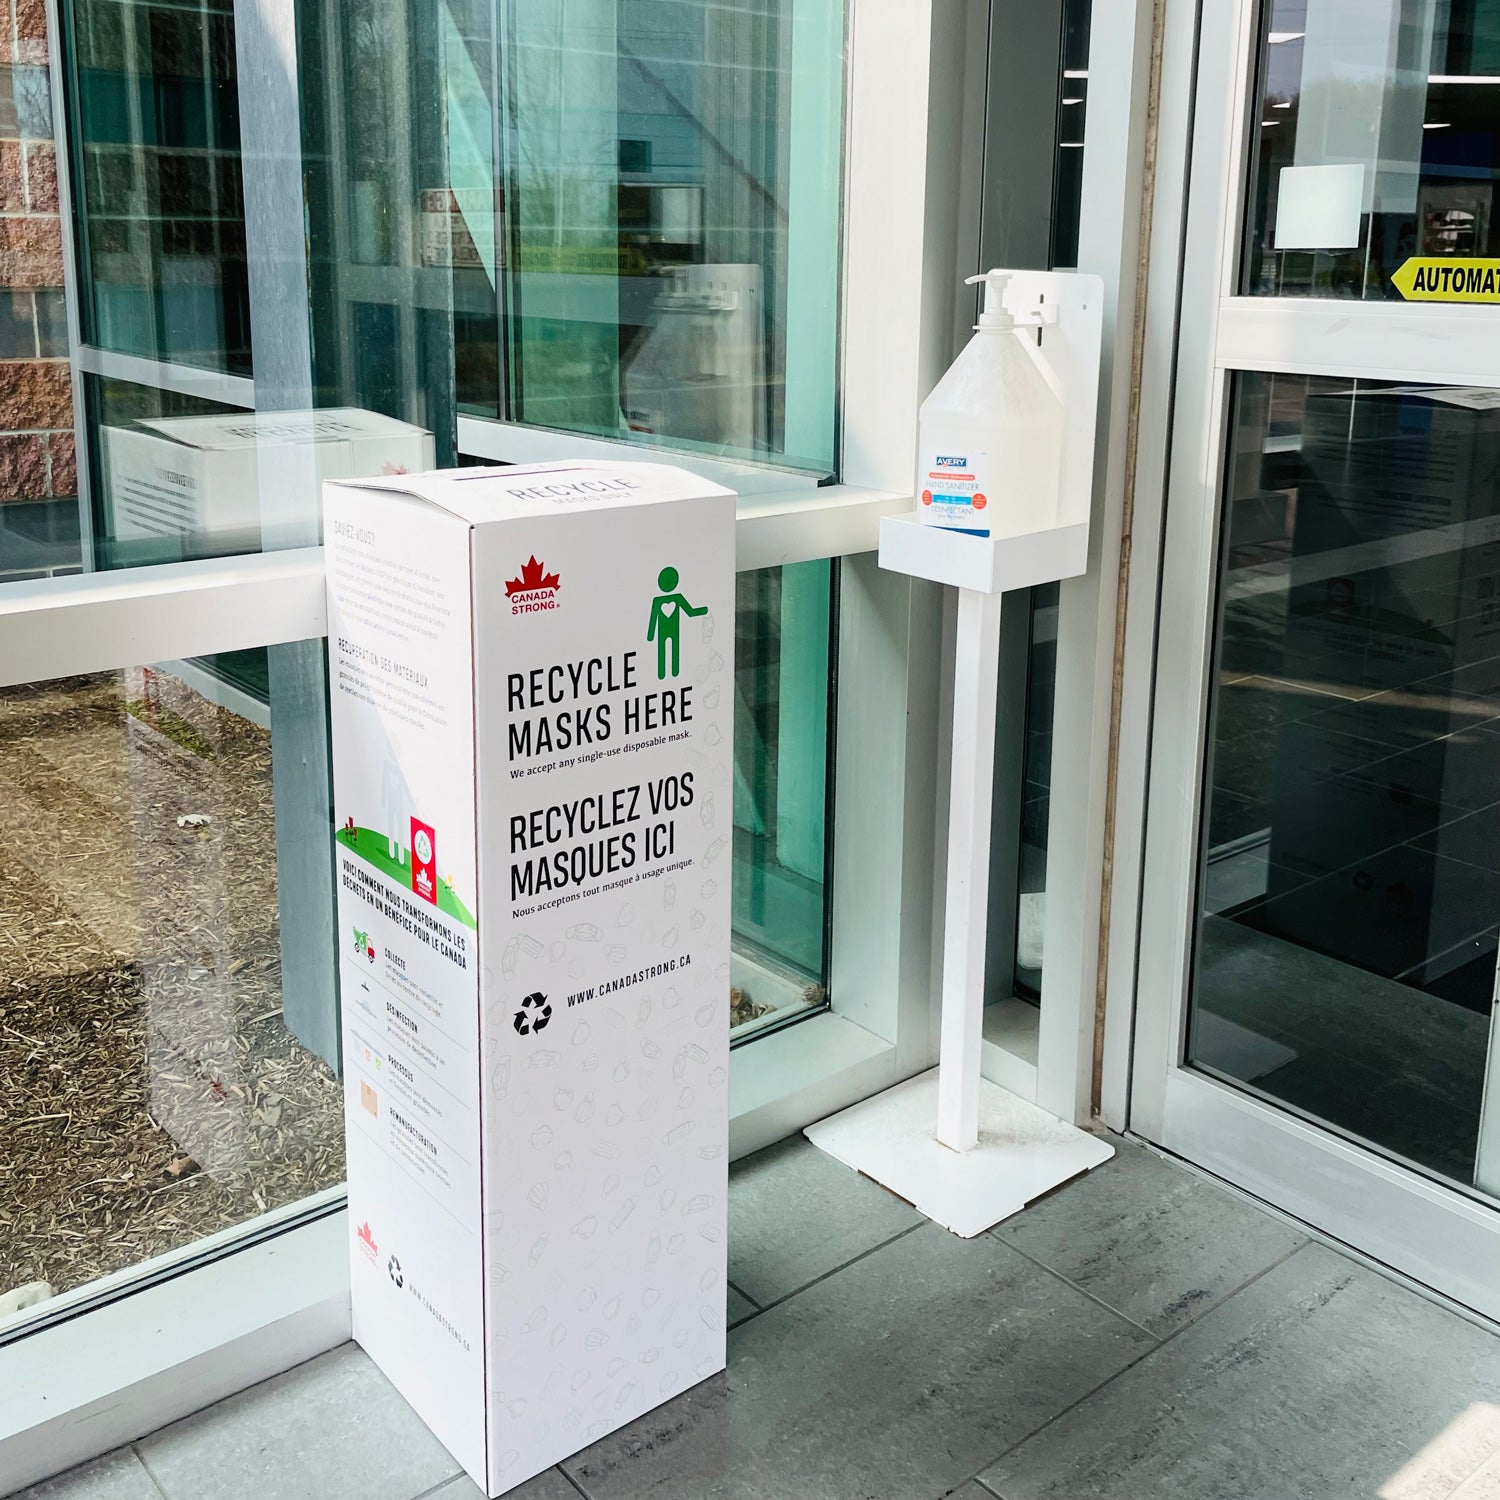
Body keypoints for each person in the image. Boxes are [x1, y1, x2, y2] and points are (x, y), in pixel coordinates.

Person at [646, 565, 707, 679]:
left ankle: (674, 672)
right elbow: (653, 618)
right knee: (662, 650)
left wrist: (702, 611)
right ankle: (662, 674)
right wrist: (650, 635)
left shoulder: (677, 598)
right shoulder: (658, 601)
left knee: (675, 650)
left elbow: (689, 611)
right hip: (663, 631)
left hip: (674, 630)